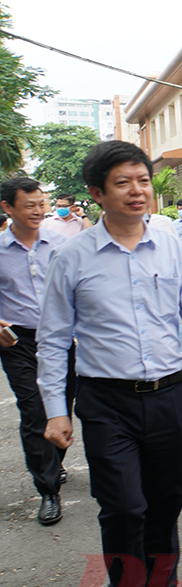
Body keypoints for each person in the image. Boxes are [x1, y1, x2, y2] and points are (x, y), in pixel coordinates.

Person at [38, 141, 182, 587]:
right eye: (123, 182)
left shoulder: (170, 247)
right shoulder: (72, 257)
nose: (138, 190)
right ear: (98, 193)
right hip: (106, 402)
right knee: (122, 507)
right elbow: (53, 339)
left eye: (142, 179)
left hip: (169, 397)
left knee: (165, 504)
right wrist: (56, 409)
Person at [0, 176, 74, 526]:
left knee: (63, 407)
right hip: (18, 342)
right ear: (7, 208)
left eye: (41, 203)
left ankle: (54, 463)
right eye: (29, 205)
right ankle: (47, 491)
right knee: (33, 410)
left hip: (63, 339)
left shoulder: (61, 245)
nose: (38, 210)